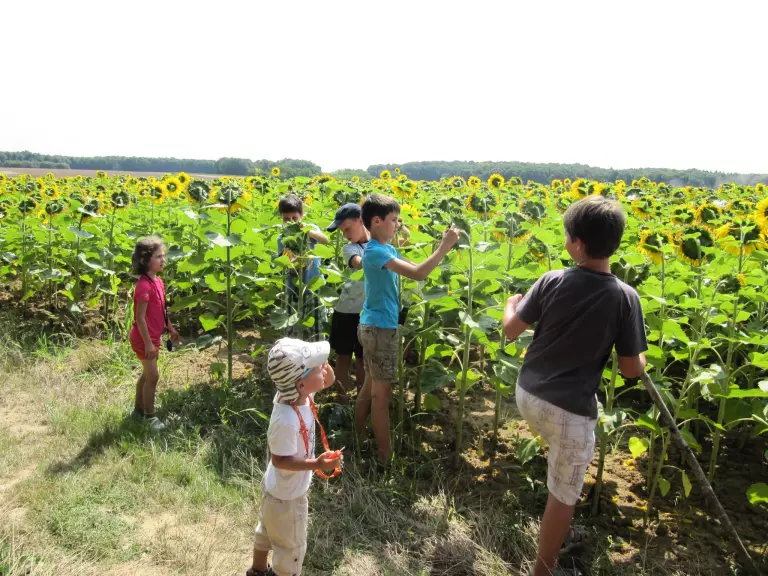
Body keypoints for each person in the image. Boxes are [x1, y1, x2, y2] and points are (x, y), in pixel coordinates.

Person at [501, 195, 647, 576]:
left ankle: (557, 536)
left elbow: (511, 330)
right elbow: (631, 370)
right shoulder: (626, 298)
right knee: (564, 493)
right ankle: (543, 569)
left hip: (529, 393)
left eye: (567, 234)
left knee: (560, 460)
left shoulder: (552, 280)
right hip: (569, 411)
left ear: (577, 244)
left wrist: (510, 304)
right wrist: (642, 358)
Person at [356, 193, 459, 463]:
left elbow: (415, 266)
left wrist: (433, 244)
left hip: (373, 325)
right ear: (376, 221)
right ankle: (384, 458)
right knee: (380, 396)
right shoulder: (375, 251)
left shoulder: (386, 249)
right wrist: (444, 247)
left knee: (369, 386)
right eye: (393, 220)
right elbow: (418, 274)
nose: (397, 225)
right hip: (380, 329)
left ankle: (356, 438)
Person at [247, 338, 342, 576]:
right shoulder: (286, 420)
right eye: (317, 367)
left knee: (267, 531)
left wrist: (322, 363)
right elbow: (280, 460)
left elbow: (328, 380)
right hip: (288, 498)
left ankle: (258, 570)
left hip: (275, 489)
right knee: (291, 549)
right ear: (300, 383)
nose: (323, 368)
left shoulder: (299, 396)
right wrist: (317, 463)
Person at [129, 236, 179, 431]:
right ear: (144, 260)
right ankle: (150, 417)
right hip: (144, 339)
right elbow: (140, 318)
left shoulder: (158, 282)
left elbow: (162, 309)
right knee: (153, 377)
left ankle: (138, 411)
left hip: (152, 337)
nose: (163, 260)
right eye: (158, 256)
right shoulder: (143, 286)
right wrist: (149, 343)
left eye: (163, 256)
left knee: (146, 375)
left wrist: (170, 328)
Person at [326, 203, 369, 398]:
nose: (345, 235)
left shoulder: (381, 244)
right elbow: (359, 264)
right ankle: (342, 400)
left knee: (362, 358)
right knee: (343, 356)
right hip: (346, 310)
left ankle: (361, 400)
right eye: (343, 231)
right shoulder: (350, 248)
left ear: (361, 221)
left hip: (367, 312)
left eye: (347, 229)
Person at [277, 194, 329, 341]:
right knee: (291, 330)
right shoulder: (282, 238)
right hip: (293, 287)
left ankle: (318, 354)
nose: (290, 222)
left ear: (302, 215)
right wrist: (295, 259)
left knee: (317, 329)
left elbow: (325, 240)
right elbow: (285, 261)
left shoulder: (311, 230)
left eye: (294, 218)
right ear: (281, 217)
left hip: (314, 285)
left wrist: (308, 232)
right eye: (286, 219)